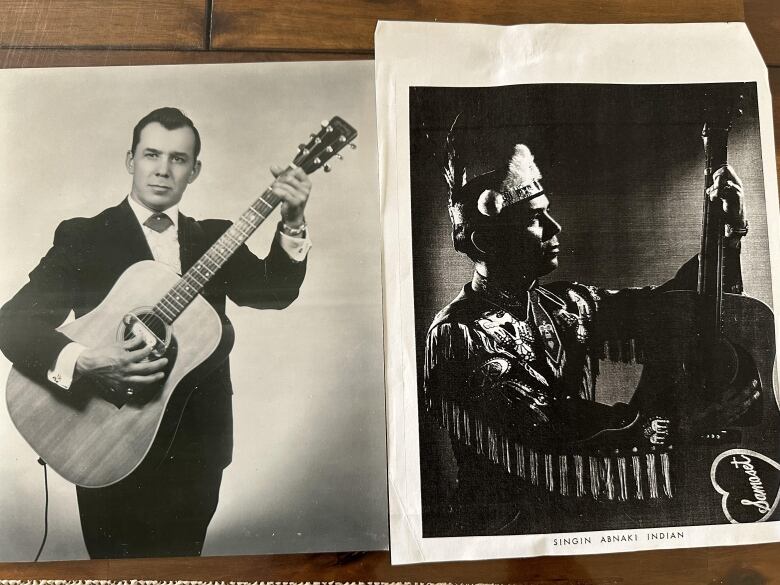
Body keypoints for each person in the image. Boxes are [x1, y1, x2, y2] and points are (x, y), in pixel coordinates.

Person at [422, 120, 761, 536]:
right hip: (505, 528)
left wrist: (725, 235)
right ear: (485, 243)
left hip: (576, 512)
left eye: (547, 212)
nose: (554, 228)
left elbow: (672, 309)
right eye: (534, 218)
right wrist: (679, 424)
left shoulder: (564, 303)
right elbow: (552, 426)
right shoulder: (457, 335)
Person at [0, 107, 312, 558]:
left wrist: (293, 220)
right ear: (131, 160)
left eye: (178, 159)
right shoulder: (85, 236)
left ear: (195, 170)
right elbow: (12, 322)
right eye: (151, 155)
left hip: (196, 445)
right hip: (101, 433)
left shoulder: (214, 239)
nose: (163, 170)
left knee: (183, 568)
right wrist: (87, 360)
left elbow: (274, 293)